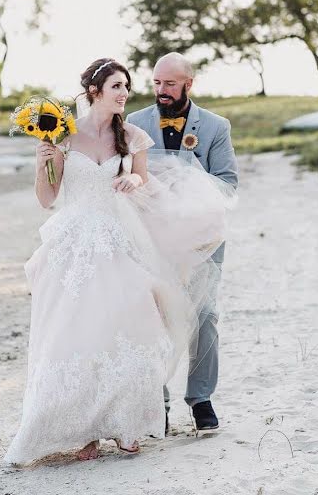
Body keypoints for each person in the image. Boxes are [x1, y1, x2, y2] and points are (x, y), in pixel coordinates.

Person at [4, 58, 234, 465]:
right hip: (73, 245)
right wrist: (43, 163)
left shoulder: (132, 134)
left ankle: (128, 424)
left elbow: (145, 181)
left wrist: (134, 179)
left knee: (134, 328)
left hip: (119, 240)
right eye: (117, 87)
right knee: (76, 335)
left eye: (127, 87)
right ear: (95, 91)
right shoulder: (63, 136)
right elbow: (47, 200)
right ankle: (84, 431)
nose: (125, 94)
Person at [127, 52, 238, 433]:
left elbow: (228, 182)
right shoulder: (133, 123)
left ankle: (201, 398)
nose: (161, 90)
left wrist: (187, 183)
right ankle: (157, 402)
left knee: (205, 316)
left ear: (189, 84)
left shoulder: (216, 126)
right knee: (154, 316)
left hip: (203, 239)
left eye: (170, 84)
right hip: (152, 241)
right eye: (157, 83)